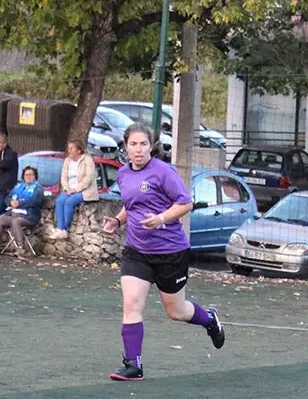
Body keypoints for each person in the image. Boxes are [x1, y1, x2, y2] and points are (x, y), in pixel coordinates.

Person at [101, 123, 225, 381]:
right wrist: (118, 221)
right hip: (136, 251)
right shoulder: (123, 174)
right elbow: (131, 205)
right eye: (133, 144)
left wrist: (160, 219)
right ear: (126, 146)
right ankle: (133, 365)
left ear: (151, 146)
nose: (138, 149)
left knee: (176, 311)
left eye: (143, 144)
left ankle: (210, 319)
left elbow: (185, 203)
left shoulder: (163, 171)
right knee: (131, 304)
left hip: (170, 251)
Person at [0, 166, 45, 257]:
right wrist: (11, 202)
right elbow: (7, 198)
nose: (28, 177)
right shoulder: (18, 186)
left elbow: (35, 200)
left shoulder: (38, 188)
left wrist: (20, 203)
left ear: (35, 176)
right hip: (13, 213)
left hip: (29, 216)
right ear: (23, 176)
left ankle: (21, 248)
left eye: (31, 175)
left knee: (16, 221)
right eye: (26, 175)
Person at [47, 140, 98, 240]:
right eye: (68, 148)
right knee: (60, 200)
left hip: (84, 190)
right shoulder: (67, 160)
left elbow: (88, 179)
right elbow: (63, 178)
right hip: (69, 189)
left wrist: (75, 189)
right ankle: (60, 229)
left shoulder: (87, 160)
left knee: (69, 202)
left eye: (71, 148)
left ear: (79, 150)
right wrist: (67, 188)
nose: (69, 150)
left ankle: (64, 229)